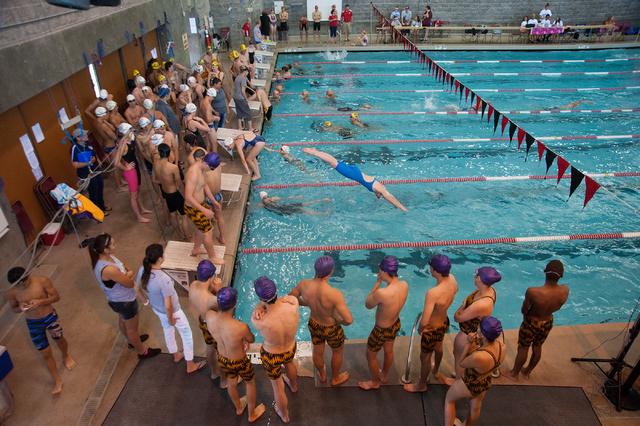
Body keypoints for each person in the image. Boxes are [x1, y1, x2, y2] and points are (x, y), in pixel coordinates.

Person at [134, 244, 207, 374]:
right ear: (160, 258)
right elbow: (168, 305)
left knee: (168, 331)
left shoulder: (142, 270)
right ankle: (190, 365)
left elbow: (136, 289)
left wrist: (146, 302)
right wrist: (171, 319)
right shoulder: (163, 279)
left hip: (157, 309)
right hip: (173, 312)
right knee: (186, 335)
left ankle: (176, 356)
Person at [89, 233, 161, 361]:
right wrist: (129, 275)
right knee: (132, 329)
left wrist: (128, 273)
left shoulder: (109, 257)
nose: (115, 245)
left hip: (119, 300)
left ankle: (132, 341)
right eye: (113, 244)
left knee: (124, 321)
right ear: (105, 250)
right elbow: (129, 283)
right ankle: (142, 351)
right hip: (124, 301)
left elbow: (124, 265)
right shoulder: (108, 269)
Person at [6, 267, 76, 394]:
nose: (21, 287)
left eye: (24, 283)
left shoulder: (42, 281)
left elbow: (56, 297)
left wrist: (41, 301)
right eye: (18, 286)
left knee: (59, 338)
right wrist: (21, 308)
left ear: (29, 275)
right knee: (45, 353)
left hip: (50, 317)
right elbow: (14, 309)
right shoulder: (11, 292)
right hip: (33, 323)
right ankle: (57, 379)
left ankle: (65, 355)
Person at [499, 260, 569, 381]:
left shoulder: (534, 292)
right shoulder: (565, 290)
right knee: (537, 347)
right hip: (548, 321)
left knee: (523, 347)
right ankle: (527, 372)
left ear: (545, 272)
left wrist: (526, 315)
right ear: (561, 275)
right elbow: (559, 306)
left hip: (532, 322)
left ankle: (514, 374)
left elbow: (524, 309)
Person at [289, 256, 353, 385]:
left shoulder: (303, 285)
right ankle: (335, 379)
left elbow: (291, 298)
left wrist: (308, 303)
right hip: (332, 329)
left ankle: (322, 375)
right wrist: (340, 321)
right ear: (331, 272)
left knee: (318, 352)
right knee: (337, 352)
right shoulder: (334, 294)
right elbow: (349, 320)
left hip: (314, 324)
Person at [207, 287, 266, 422]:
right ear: (234, 304)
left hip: (222, 358)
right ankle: (252, 414)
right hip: (240, 361)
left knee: (231, 382)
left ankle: (239, 407)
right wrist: (243, 339)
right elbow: (252, 339)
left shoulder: (209, 317)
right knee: (250, 384)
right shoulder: (241, 327)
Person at [404, 255, 458, 392]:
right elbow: (455, 291)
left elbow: (425, 320)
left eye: (431, 267)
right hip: (444, 322)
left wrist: (420, 330)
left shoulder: (433, 293)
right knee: (439, 347)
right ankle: (436, 370)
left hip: (432, 328)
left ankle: (421, 385)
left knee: (425, 357)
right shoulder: (452, 279)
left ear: (436, 271)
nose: (430, 269)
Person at [441, 266, 501, 386]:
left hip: (468, 335)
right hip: (473, 332)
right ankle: (461, 375)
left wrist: (463, 305)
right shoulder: (488, 289)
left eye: (477, 276)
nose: (474, 277)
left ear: (483, 281)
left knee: (460, 358)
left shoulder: (482, 304)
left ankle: (458, 382)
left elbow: (457, 317)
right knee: (462, 356)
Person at [251, 277, 300, 423]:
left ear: (260, 298)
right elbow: (287, 298)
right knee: (290, 363)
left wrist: (258, 307)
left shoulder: (259, 320)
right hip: (290, 348)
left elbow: (262, 307)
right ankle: (293, 385)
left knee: (278, 387)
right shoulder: (293, 303)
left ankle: (284, 415)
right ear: (276, 291)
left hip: (271, 356)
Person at [444, 317, 506, 426]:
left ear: (482, 333)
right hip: (485, 380)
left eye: (478, 326)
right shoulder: (502, 344)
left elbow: (462, 363)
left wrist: (468, 343)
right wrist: (479, 341)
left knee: (449, 400)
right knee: (476, 406)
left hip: (470, 383)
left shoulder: (479, 356)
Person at [358, 256, 408, 390]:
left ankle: (374, 383)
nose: (378, 273)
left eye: (380, 270)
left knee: (370, 356)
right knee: (389, 350)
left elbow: (368, 304)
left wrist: (377, 283)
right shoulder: (404, 285)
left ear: (385, 273)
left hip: (381, 330)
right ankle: (384, 375)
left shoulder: (382, 293)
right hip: (395, 324)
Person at [303, 147, 408, 211]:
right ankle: (314, 153)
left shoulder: (381, 186)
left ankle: (316, 152)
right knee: (333, 163)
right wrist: (401, 207)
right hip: (355, 175)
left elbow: (390, 196)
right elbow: (390, 198)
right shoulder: (381, 190)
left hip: (357, 172)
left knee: (335, 162)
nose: (378, 197)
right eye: (379, 197)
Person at [183, 149, 226, 265]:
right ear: (207, 164)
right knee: (208, 232)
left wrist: (213, 201)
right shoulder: (193, 172)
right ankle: (212, 257)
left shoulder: (202, 168)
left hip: (200, 205)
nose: (212, 171)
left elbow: (205, 185)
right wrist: (204, 210)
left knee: (200, 229)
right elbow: (188, 196)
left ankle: (196, 249)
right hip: (193, 208)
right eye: (211, 169)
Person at [188, 260, 226, 386]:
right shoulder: (212, 300)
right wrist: (219, 289)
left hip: (202, 321)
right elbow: (224, 311)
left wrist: (212, 291)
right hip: (212, 326)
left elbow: (202, 302)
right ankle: (223, 381)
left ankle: (214, 373)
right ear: (211, 276)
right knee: (221, 353)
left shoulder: (193, 285)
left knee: (209, 348)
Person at [116, 123, 153, 223]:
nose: (132, 131)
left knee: (138, 190)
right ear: (125, 131)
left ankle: (142, 209)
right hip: (130, 172)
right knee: (133, 195)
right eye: (130, 129)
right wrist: (126, 168)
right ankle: (139, 217)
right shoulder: (122, 144)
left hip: (135, 168)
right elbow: (116, 162)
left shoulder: (129, 141)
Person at [153, 143, 189, 241]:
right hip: (175, 193)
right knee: (184, 216)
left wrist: (165, 181)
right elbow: (180, 184)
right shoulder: (173, 167)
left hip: (165, 193)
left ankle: (180, 236)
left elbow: (154, 180)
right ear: (169, 154)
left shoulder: (155, 163)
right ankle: (187, 237)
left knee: (173, 215)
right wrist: (186, 196)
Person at [70, 128, 108, 214]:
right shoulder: (75, 148)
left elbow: (93, 152)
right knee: (93, 190)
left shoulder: (87, 143)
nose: (86, 135)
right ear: (78, 138)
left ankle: (102, 206)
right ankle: (97, 211)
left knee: (100, 187)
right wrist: (89, 162)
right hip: (86, 173)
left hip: (95, 169)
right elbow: (75, 164)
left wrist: (97, 160)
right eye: (84, 135)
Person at [204, 152, 226, 244]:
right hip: (218, 195)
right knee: (219, 217)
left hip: (207, 197)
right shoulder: (219, 166)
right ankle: (222, 238)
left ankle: (209, 238)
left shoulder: (203, 171)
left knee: (206, 218)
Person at [254, 191, 332, 216]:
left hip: (285, 207)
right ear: (262, 199)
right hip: (282, 211)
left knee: (304, 204)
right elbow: (253, 208)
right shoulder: (262, 205)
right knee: (303, 210)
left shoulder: (272, 199)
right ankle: (323, 213)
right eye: (265, 198)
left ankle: (323, 200)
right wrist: (248, 205)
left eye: (267, 196)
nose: (267, 199)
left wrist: (296, 197)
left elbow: (285, 198)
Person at [233, 67, 255, 133]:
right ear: (245, 71)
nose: (248, 73)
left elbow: (235, 87)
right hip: (240, 98)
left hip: (235, 97)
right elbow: (243, 91)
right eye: (248, 71)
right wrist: (246, 98)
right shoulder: (243, 78)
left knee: (239, 112)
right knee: (248, 113)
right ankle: (250, 128)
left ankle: (240, 127)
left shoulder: (237, 77)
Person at [526, 101, 594, 111]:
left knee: (543, 109)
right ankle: (531, 107)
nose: (577, 107)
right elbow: (580, 101)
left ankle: (531, 105)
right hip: (556, 108)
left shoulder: (572, 105)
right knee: (543, 110)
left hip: (556, 108)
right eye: (577, 106)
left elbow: (580, 102)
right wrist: (588, 101)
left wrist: (588, 102)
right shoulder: (572, 104)